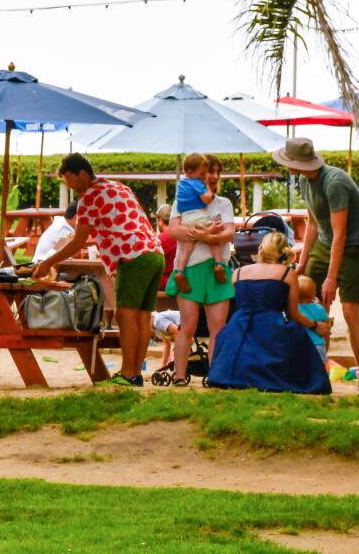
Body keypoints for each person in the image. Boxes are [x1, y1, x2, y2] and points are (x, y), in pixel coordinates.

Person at [34, 153, 165, 387]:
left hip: (132, 255)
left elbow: (77, 241)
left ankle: (127, 374)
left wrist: (47, 263)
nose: (71, 187)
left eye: (70, 180)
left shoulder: (89, 198)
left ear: (82, 174)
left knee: (125, 316)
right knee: (143, 316)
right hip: (154, 252)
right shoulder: (118, 187)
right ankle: (134, 374)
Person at [272, 137, 359, 397]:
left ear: (297, 162)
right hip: (325, 243)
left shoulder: (335, 183)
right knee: (307, 296)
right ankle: (316, 368)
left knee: (350, 310)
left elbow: (340, 235)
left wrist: (331, 278)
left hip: (352, 246)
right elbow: (314, 225)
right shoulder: (305, 182)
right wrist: (302, 264)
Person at [207, 232, 331, 394]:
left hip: (239, 326)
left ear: (261, 249)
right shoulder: (287, 274)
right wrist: (315, 325)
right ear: (282, 251)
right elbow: (293, 314)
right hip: (271, 328)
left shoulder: (238, 273)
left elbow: (238, 303)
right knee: (298, 338)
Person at [163, 158, 236, 386]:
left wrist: (205, 236)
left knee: (218, 328)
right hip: (191, 268)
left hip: (218, 269)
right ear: (199, 174)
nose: (212, 176)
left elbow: (230, 234)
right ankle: (180, 376)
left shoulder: (223, 203)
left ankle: (215, 375)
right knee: (188, 325)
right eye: (209, 172)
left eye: (216, 172)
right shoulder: (182, 200)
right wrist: (206, 235)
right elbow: (174, 230)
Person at [171, 153, 229, 292]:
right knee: (214, 237)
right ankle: (218, 264)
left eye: (218, 172)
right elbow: (207, 199)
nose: (207, 177)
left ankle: (180, 272)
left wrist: (196, 234)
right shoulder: (197, 183)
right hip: (198, 216)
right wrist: (209, 234)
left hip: (185, 218)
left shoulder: (182, 183)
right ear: (191, 172)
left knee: (186, 248)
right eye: (205, 173)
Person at [298, 275, 331, 366]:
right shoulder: (319, 308)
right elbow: (325, 319)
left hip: (300, 346)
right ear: (313, 293)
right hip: (318, 345)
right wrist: (319, 305)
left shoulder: (294, 309)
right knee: (320, 371)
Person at [154, 204, 177, 289]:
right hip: (182, 282)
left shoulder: (160, 239)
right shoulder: (181, 236)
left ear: (160, 221)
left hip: (165, 284)